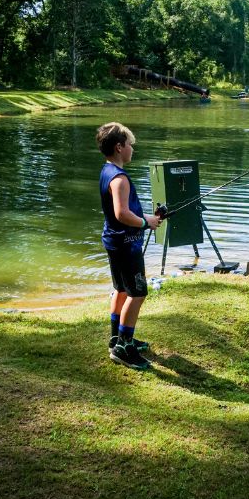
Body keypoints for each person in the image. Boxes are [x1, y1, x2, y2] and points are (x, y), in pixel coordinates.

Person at [96, 122, 162, 370]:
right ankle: (124, 347)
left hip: (115, 241)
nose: (133, 149)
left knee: (121, 289)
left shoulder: (107, 171)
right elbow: (122, 214)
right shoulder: (120, 179)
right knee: (137, 293)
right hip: (126, 244)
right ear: (119, 147)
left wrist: (147, 220)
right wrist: (146, 222)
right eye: (130, 145)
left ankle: (117, 338)